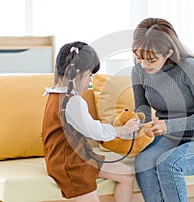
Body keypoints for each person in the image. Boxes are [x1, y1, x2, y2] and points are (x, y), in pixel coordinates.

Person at [131, 18, 194, 202]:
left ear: (169, 52)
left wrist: (168, 125)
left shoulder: (190, 69)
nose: (144, 65)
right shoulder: (138, 71)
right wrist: (136, 126)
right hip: (168, 138)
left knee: (169, 164)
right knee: (143, 162)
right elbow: (141, 109)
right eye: (139, 57)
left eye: (151, 59)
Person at [42, 41, 140, 202]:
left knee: (126, 174)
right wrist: (122, 130)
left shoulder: (54, 94)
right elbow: (95, 131)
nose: (90, 82)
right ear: (77, 73)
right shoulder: (72, 102)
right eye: (89, 76)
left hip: (77, 157)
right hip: (71, 165)